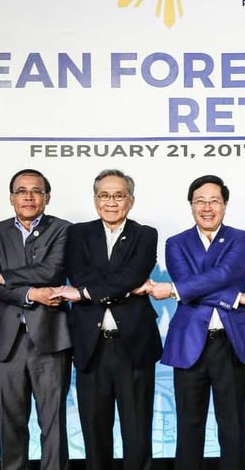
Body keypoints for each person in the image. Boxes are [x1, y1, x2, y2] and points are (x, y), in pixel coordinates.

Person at [56, 169, 163, 470]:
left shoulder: (145, 234)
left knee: (137, 433)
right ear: (95, 200)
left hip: (134, 346)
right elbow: (79, 273)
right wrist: (119, 288)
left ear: (130, 200)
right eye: (104, 195)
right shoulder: (78, 233)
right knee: (94, 431)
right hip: (91, 347)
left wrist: (86, 292)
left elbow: (133, 275)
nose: (111, 202)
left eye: (118, 195)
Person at [158, 174, 245, 470]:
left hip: (230, 342)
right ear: (191, 206)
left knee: (232, 426)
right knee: (189, 426)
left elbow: (222, 275)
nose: (207, 207)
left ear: (225, 205)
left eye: (214, 201)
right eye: (200, 201)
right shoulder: (176, 242)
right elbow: (185, 283)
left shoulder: (240, 238)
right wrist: (237, 298)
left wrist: (180, 290)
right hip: (189, 343)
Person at [0, 169, 72, 470]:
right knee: (10, 422)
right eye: (22, 191)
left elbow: (52, 272)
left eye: (36, 191)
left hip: (51, 337)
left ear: (47, 197)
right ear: (11, 198)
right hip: (7, 341)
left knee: (53, 422)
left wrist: (3, 276)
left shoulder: (63, 229)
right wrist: (31, 293)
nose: (29, 197)